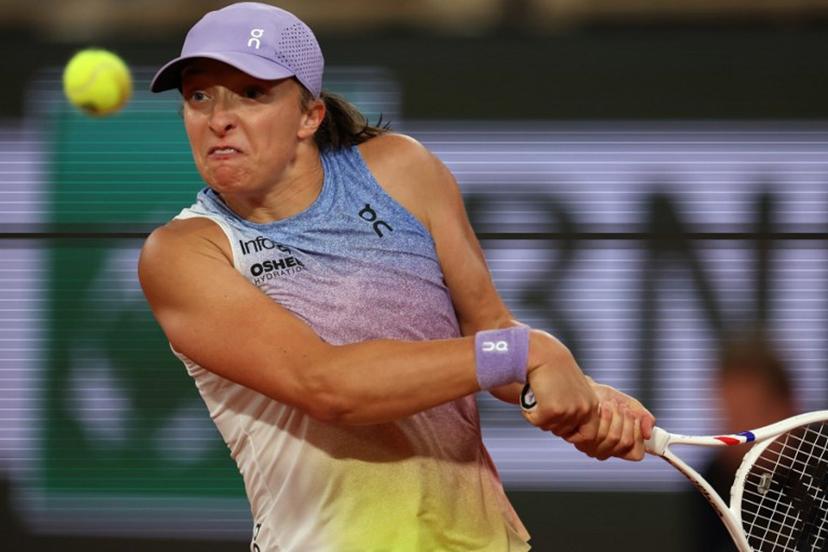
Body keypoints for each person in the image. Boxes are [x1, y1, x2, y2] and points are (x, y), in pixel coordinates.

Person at [139, 3, 655, 550]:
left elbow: (489, 335)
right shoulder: (184, 253)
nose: (219, 117)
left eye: (251, 93)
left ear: (309, 115)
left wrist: (584, 400)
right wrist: (525, 352)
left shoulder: (403, 171)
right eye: (199, 96)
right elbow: (328, 385)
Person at [689, 331, 797, 552]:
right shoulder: (710, 480)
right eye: (727, 416)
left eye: (747, 415)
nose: (737, 435)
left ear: (786, 407)